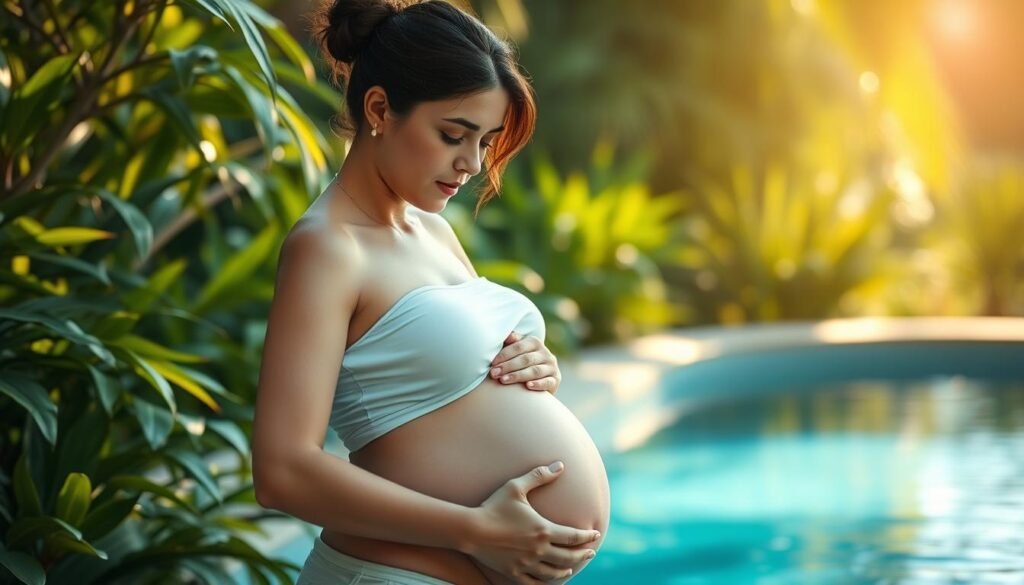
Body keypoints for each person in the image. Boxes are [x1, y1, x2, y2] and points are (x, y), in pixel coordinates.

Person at [251, 1, 610, 583]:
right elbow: (282, 472)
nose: (471, 163)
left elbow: (452, 390)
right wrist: (475, 529)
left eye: (486, 142)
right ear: (379, 109)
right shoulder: (328, 247)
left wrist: (535, 369)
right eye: (453, 135)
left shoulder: (435, 232)